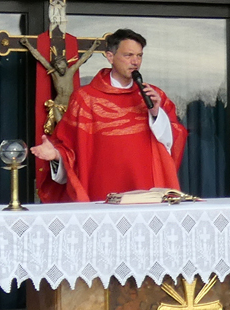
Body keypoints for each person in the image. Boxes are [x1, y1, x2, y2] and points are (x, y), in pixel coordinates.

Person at [30, 28, 187, 202]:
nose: (135, 61)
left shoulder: (154, 96)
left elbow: (174, 138)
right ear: (110, 57)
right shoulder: (85, 99)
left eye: (139, 56)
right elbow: (71, 146)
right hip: (102, 188)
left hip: (147, 188)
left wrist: (156, 114)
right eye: (128, 55)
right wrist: (56, 155)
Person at [20, 36, 101, 134]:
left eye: (60, 65)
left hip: (70, 104)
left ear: (65, 64)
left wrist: (94, 46)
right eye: (57, 66)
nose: (59, 68)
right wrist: (27, 44)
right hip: (58, 104)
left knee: (73, 127)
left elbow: (83, 58)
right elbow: (40, 58)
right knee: (60, 126)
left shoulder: (71, 71)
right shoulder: (55, 74)